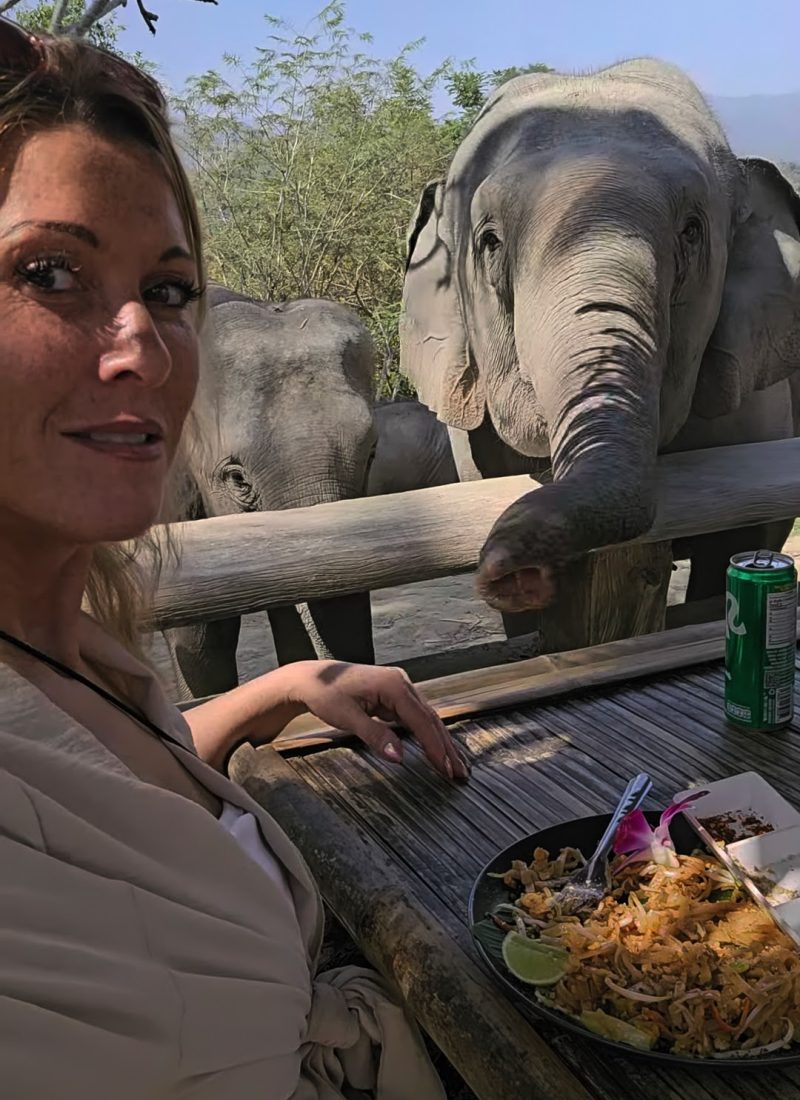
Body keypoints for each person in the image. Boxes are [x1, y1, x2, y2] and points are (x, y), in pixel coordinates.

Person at [0, 19, 469, 1098]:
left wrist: (278, 687)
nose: (144, 343)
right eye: (50, 272)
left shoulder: (79, 652)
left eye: (170, 289)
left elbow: (106, 802)